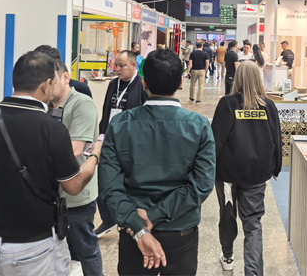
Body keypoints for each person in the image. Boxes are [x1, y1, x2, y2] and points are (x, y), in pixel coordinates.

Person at [0, 51, 102, 275]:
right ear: (46, 86)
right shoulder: (52, 129)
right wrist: (94, 156)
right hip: (33, 247)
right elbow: (73, 185)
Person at [99, 49, 215, 276]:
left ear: (143, 83)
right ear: (180, 82)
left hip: (133, 230)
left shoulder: (120, 124)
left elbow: (109, 186)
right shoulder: (199, 125)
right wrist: (156, 214)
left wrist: (139, 224)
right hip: (180, 229)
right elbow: (202, 185)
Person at [211, 62, 282, 275]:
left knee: (227, 216)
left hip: (228, 174)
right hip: (256, 174)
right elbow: (277, 139)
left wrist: (209, 169)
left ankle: (228, 257)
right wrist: (276, 167)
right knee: (253, 224)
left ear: (238, 78)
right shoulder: (268, 106)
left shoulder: (227, 104)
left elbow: (216, 140)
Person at [50, 58, 103, 275]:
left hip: (76, 195)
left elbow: (74, 150)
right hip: (49, 194)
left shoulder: (81, 103)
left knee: (83, 250)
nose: (45, 86)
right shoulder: (43, 106)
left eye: (51, 80)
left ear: (65, 77)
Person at [96, 49, 147, 237]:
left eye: (121, 65)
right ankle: (108, 218)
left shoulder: (142, 86)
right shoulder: (113, 84)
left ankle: (130, 221)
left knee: (128, 184)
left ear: (134, 65)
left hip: (131, 144)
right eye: (115, 65)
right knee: (102, 181)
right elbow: (106, 110)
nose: (117, 69)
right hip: (110, 140)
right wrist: (101, 135)